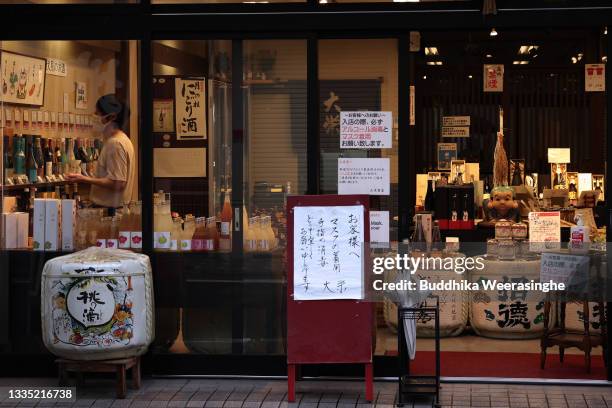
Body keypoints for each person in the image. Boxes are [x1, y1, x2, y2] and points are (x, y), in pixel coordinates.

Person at [65, 94, 135, 213]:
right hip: (114, 210)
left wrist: (84, 179)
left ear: (111, 117)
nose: (94, 117)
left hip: (111, 213)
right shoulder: (122, 140)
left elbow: (118, 182)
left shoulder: (115, 143)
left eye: (97, 113)